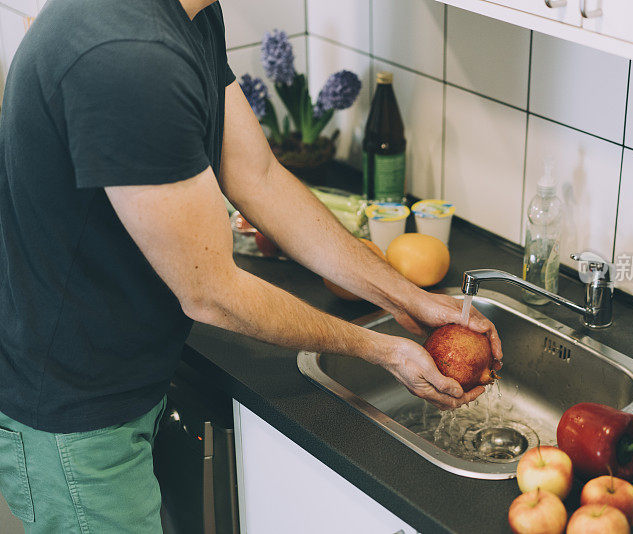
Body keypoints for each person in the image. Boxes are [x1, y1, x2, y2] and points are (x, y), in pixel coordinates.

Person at [0, 0, 502, 531]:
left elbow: (256, 174)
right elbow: (212, 293)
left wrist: (409, 298)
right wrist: (385, 351)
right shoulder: (129, 58)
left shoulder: (191, 13)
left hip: (126, 372)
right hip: (76, 414)